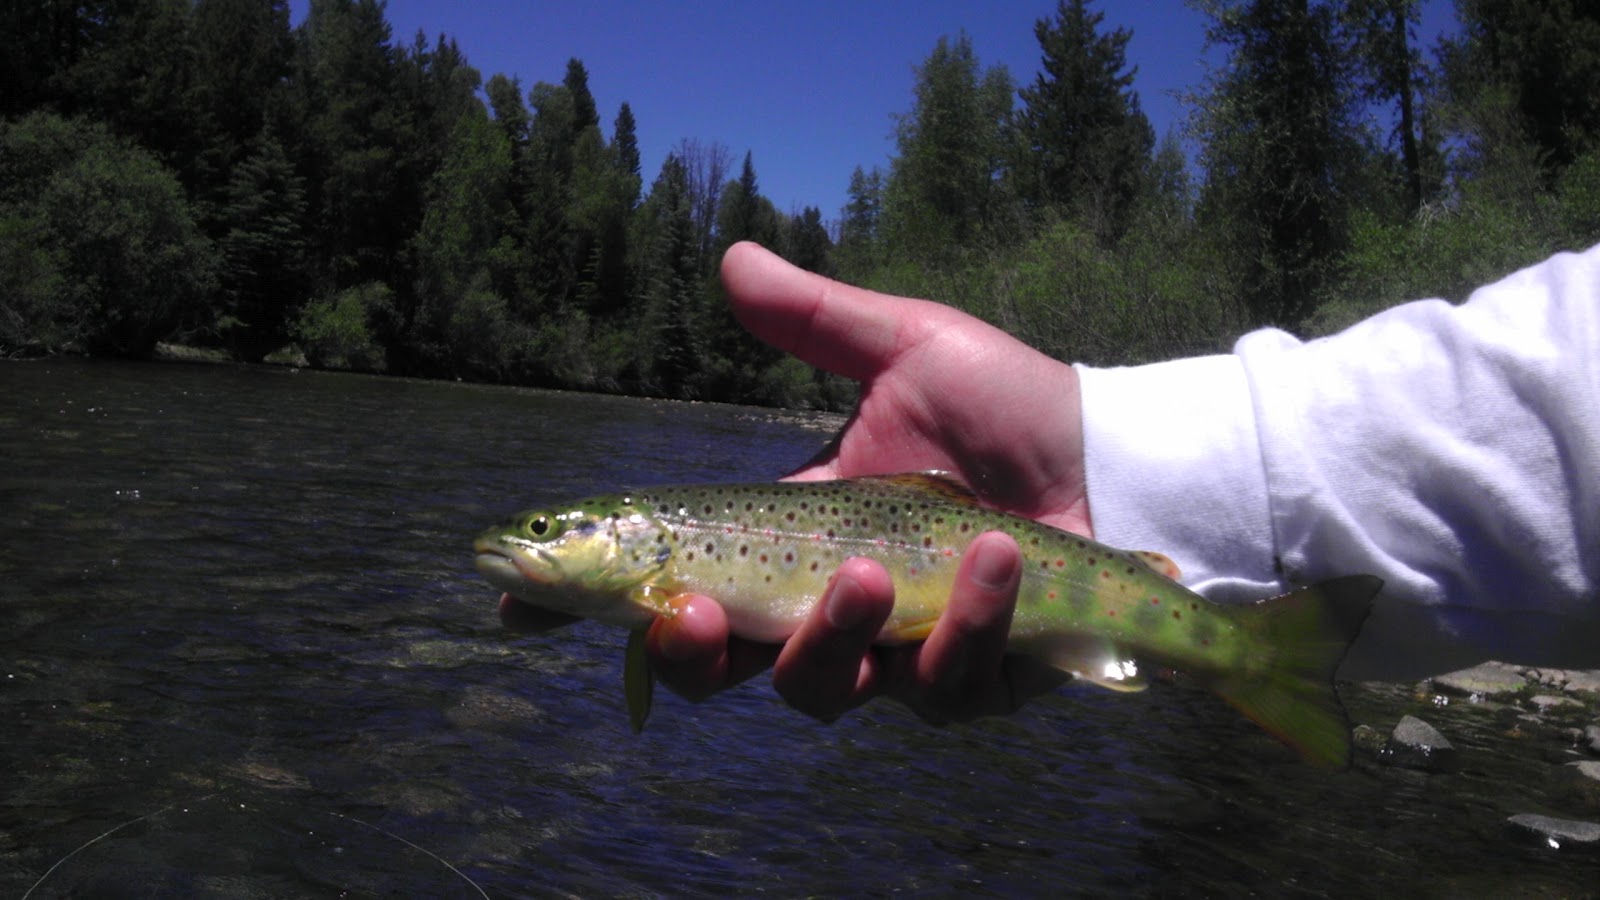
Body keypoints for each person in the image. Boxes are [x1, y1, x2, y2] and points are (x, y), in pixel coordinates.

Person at [515, 240, 1600, 724]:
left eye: (553, 529)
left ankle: (1253, 655)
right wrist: (1129, 456)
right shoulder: (653, 576)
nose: (534, 545)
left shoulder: (660, 566)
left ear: (627, 537)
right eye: (550, 531)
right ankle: (1248, 654)